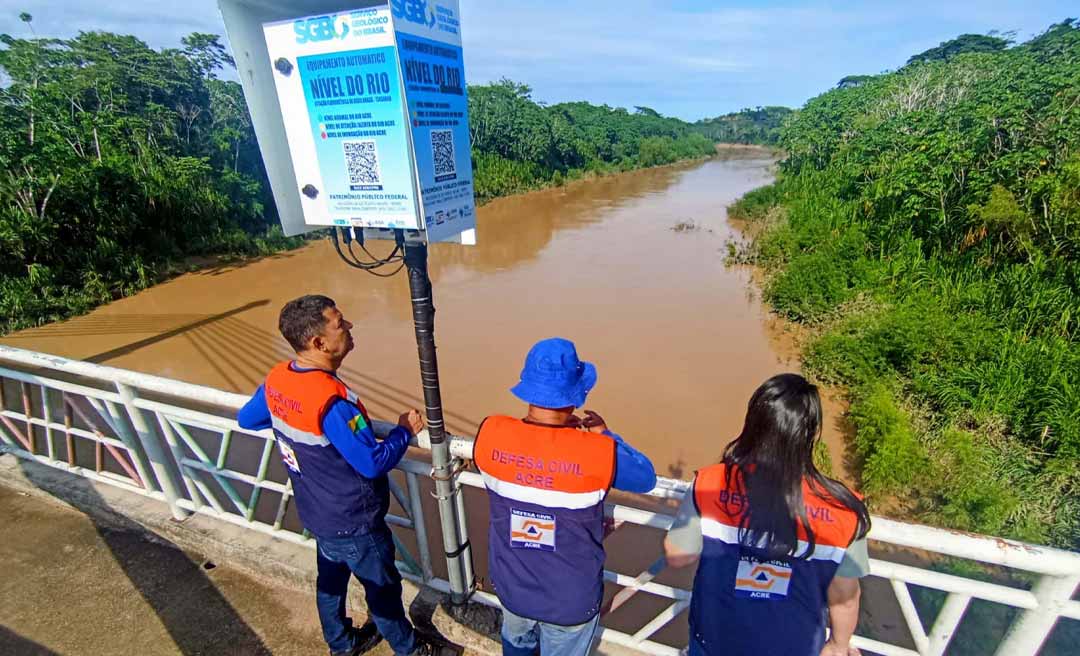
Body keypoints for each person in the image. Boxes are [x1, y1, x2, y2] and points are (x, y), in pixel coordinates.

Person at [237, 295, 429, 656]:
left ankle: (341, 646)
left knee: (330, 583)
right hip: (354, 519)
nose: (350, 326)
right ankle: (411, 650)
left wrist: (286, 420)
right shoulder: (332, 402)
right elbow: (371, 462)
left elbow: (248, 419)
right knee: (383, 592)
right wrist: (404, 431)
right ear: (319, 343)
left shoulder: (279, 379)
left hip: (316, 513)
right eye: (340, 323)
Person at [664, 373, 871, 656]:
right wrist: (838, 644)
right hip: (794, 645)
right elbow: (845, 596)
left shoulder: (710, 484)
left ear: (753, 423)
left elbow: (678, 555)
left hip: (716, 638)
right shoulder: (844, 510)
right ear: (811, 433)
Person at [473, 337, 657, 656]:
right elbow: (646, 477)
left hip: (512, 588)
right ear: (576, 395)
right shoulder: (599, 451)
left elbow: (531, 452)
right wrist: (604, 434)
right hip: (570, 600)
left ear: (527, 388)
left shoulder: (491, 433)